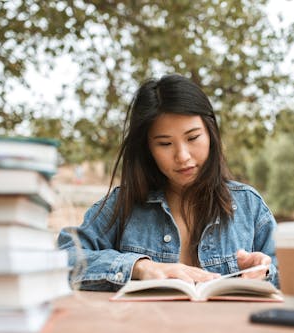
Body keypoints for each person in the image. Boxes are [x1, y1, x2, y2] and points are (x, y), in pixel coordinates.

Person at [57, 74, 279, 291]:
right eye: (164, 144)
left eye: (193, 138)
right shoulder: (122, 205)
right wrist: (140, 267)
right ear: (147, 149)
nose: (182, 156)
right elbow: (64, 256)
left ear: (211, 133)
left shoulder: (249, 206)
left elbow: (292, 276)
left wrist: (266, 273)